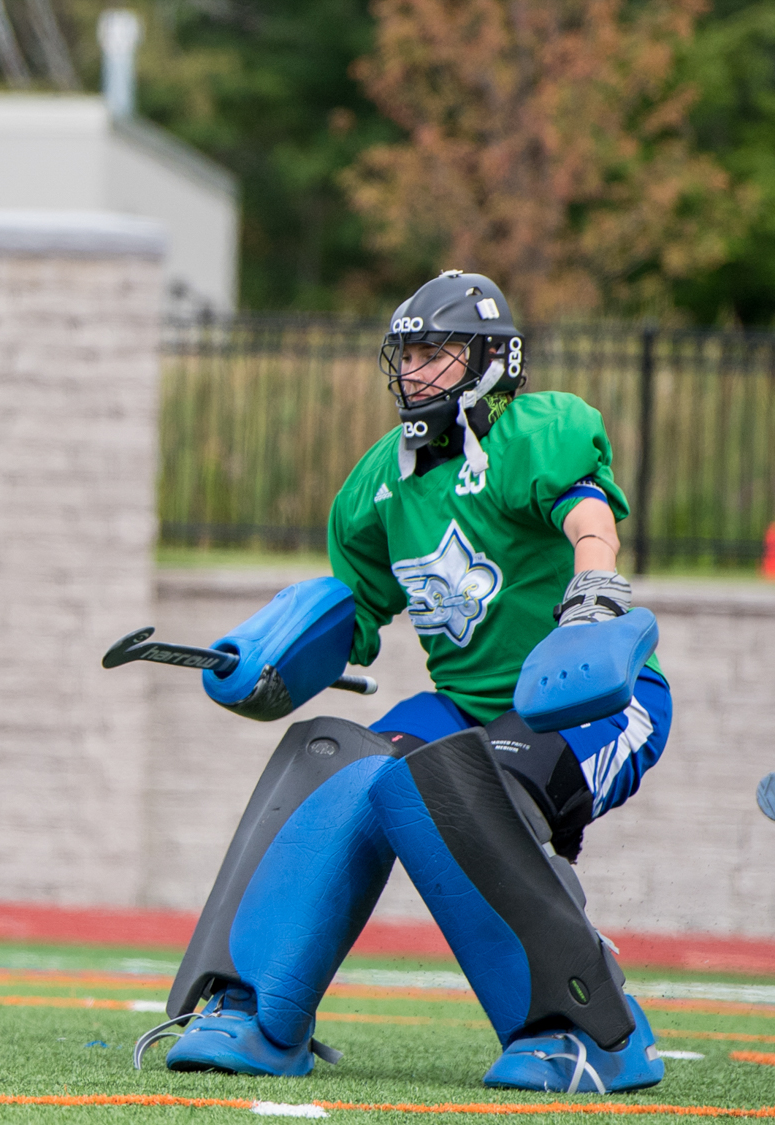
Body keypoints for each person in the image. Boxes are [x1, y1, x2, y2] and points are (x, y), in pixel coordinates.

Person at [139, 271, 672, 1092]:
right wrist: (267, 656)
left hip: (590, 697)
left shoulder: (533, 433)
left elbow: (587, 511)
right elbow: (351, 616)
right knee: (337, 764)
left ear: (492, 359)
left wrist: (594, 585)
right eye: (409, 354)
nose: (416, 370)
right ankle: (257, 1009)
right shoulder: (380, 482)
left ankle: (591, 1031)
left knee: (458, 786)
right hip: (465, 707)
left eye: (437, 351)